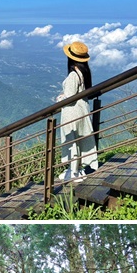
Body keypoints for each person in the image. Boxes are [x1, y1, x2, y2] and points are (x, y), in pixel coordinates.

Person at [55, 41, 99, 181]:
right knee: (79, 141)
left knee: (71, 142)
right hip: (82, 110)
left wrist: (60, 99)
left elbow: (70, 97)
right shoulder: (84, 72)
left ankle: (73, 172)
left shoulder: (73, 75)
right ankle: (78, 169)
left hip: (72, 113)